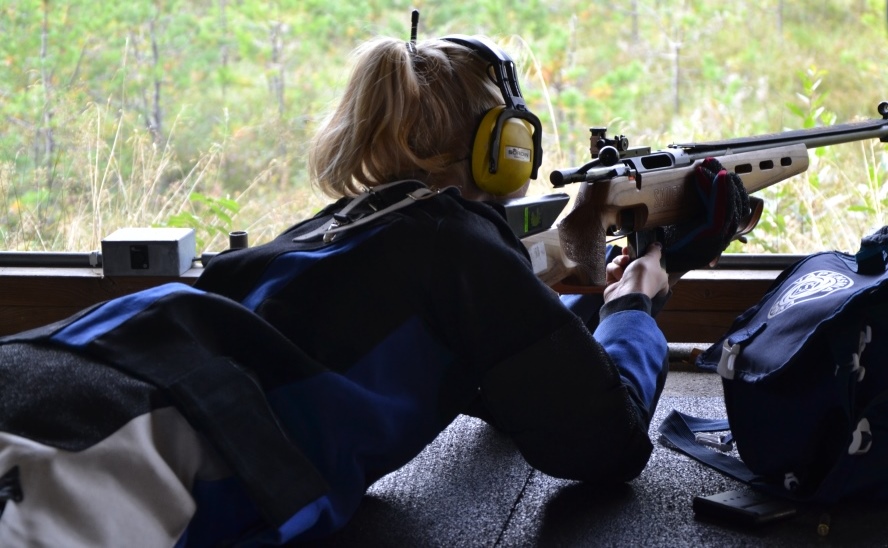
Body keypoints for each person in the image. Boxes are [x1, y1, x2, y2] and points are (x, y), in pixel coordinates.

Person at [0, 25, 744, 547]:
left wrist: (596, 288)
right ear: (505, 148)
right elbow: (604, 442)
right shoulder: (458, 248)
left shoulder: (326, 232)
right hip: (138, 446)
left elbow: (512, 372)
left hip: (53, 370)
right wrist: (637, 302)